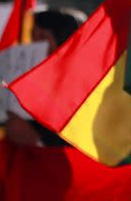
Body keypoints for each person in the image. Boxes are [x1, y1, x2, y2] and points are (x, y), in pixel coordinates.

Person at [6, 8, 86, 146]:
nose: (34, 45)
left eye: (43, 37)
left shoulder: (84, 86)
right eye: (32, 37)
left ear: (65, 40)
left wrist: (38, 141)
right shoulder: (30, 82)